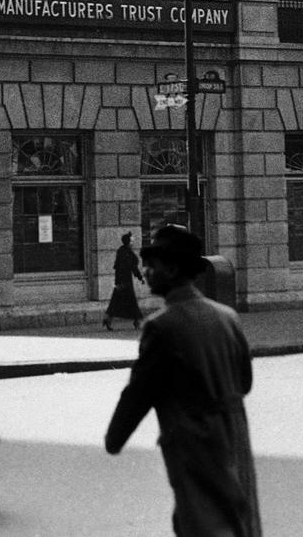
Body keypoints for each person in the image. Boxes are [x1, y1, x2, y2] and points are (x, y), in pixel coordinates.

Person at [104, 224, 260, 537]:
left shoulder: (162, 327)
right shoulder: (227, 317)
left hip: (195, 447)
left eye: (152, 265)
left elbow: (137, 395)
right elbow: (245, 382)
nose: (146, 272)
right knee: (238, 521)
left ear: (172, 269)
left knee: (203, 523)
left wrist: (115, 437)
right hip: (234, 440)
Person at [104, 231, 145, 330]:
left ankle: (108, 320)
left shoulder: (122, 251)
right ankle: (136, 322)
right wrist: (140, 277)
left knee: (118, 301)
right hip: (125, 281)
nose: (133, 242)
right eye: (132, 241)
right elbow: (132, 267)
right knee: (129, 301)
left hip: (122, 281)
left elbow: (123, 267)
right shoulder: (126, 252)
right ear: (128, 242)